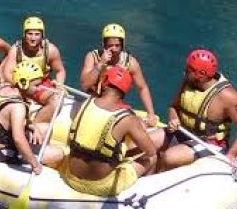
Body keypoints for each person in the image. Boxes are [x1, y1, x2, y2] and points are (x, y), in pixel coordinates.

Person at [44, 66, 163, 196]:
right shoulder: (128, 119)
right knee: (152, 158)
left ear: (105, 83)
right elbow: (150, 151)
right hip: (100, 186)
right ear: (125, 91)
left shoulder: (85, 103)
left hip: (70, 175)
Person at [162, 49, 237, 171]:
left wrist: (232, 153)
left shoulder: (228, 96)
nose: (184, 72)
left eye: (189, 69)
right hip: (183, 132)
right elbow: (173, 106)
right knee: (149, 141)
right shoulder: (188, 82)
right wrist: (173, 119)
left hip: (209, 144)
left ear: (201, 74)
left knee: (170, 157)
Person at [79, 23, 159, 127]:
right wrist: (100, 65)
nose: (114, 49)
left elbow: (142, 87)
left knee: (141, 126)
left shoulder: (130, 63)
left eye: (117, 45)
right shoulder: (92, 57)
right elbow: (84, 84)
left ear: (122, 45)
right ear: (103, 45)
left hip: (114, 105)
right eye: (110, 45)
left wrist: (151, 113)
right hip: (94, 102)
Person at [0, 16, 66, 129]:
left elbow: (60, 71)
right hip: (19, 84)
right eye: (30, 34)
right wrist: (22, 86)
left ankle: (33, 127)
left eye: (37, 34)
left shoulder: (51, 50)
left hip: (40, 85)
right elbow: (8, 73)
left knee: (56, 100)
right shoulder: (16, 49)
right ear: (24, 34)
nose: (33, 38)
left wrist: (59, 84)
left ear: (42, 35)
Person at [0, 61, 46, 173]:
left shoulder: (1, 88)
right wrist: (35, 164)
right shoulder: (18, 107)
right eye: (36, 85)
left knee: (46, 128)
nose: (39, 89)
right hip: (2, 151)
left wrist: (33, 127)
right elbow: (18, 139)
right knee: (57, 154)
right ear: (24, 83)